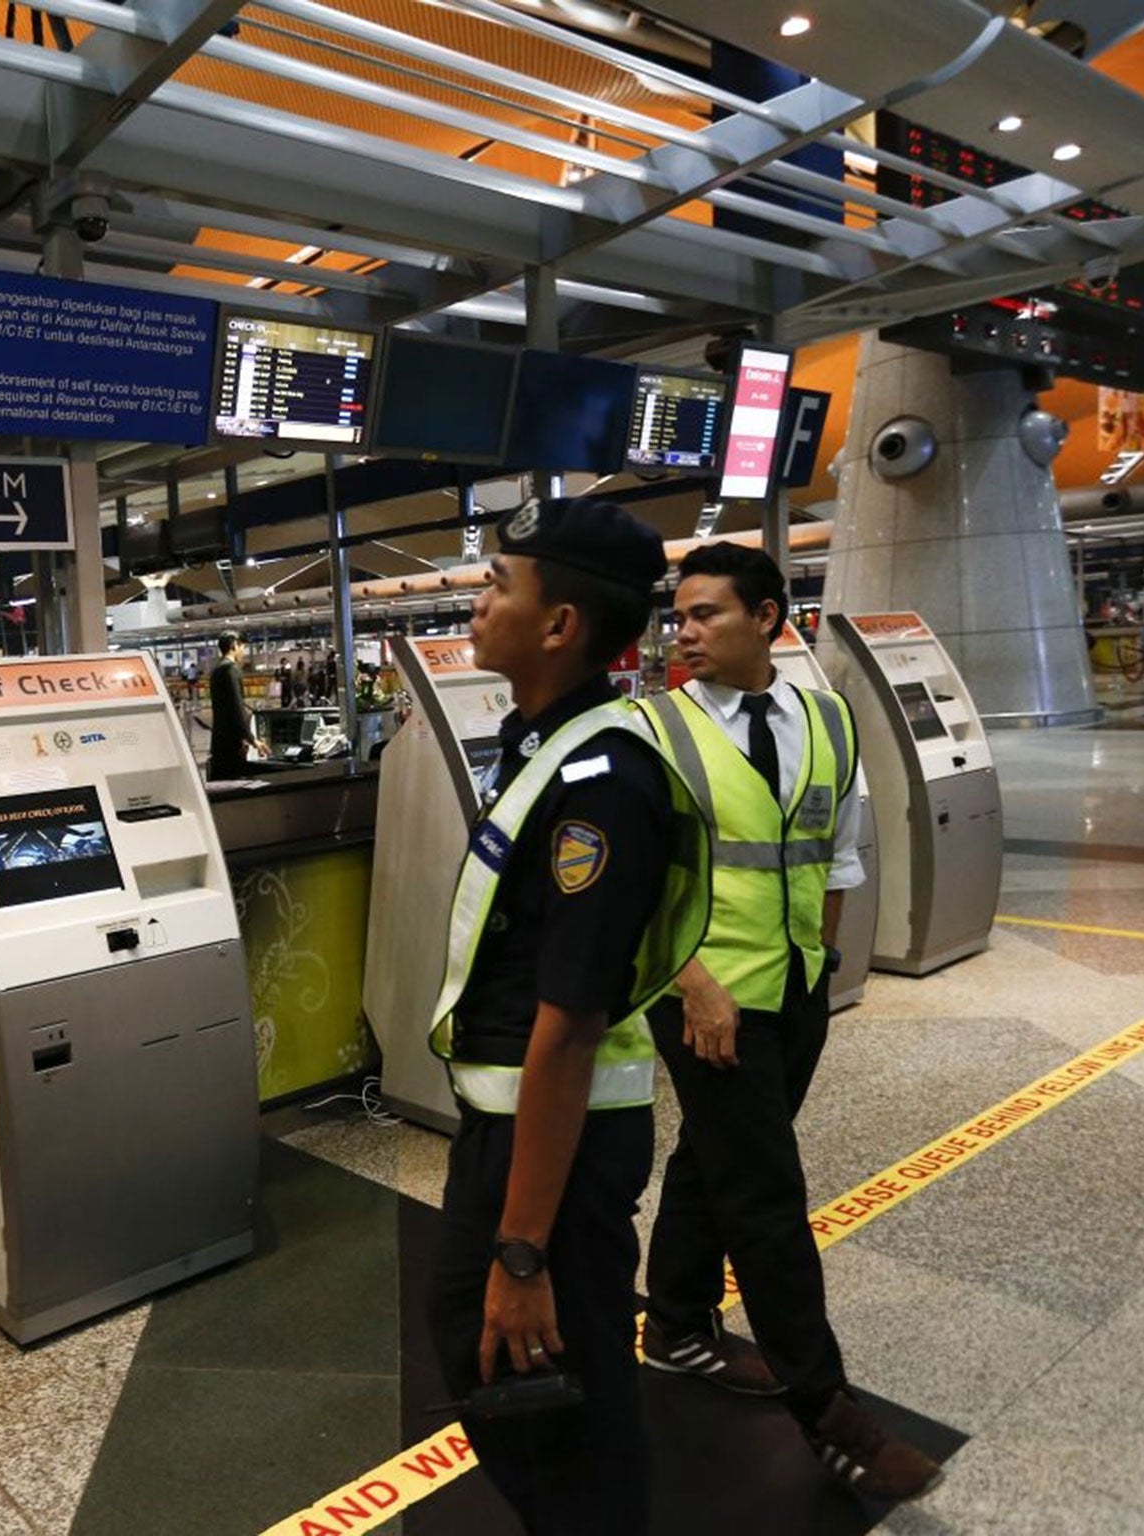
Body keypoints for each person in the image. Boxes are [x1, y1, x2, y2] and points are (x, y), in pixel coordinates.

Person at [427, 498, 710, 1534]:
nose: (477, 595)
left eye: (498, 582)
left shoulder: (601, 781)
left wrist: (520, 1252)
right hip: (517, 1127)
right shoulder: (544, 743)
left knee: (540, 1381)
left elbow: (570, 1025)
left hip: (556, 1144)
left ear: (558, 626)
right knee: (525, 1380)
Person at [637, 543, 941, 1502]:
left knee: (717, 1156)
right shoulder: (652, 730)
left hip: (795, 989)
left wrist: (823, 965)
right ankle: (829, 1411)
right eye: (677, 617)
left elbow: (837, 850)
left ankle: (679, 1325)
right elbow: (632, 890)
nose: (683, 634)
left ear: (769, 619)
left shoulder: (828, 719)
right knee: (766, 1193)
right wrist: (693, 986)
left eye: (705, 616)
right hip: (706, 997)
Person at [207, 630, 260, 778]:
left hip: (218, 742)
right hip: (231, 745)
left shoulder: (216, 671)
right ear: (234, 645)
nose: (243, 652)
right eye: (243, 647)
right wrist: (251, 739)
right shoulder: (231, 669)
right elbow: (237, 708)